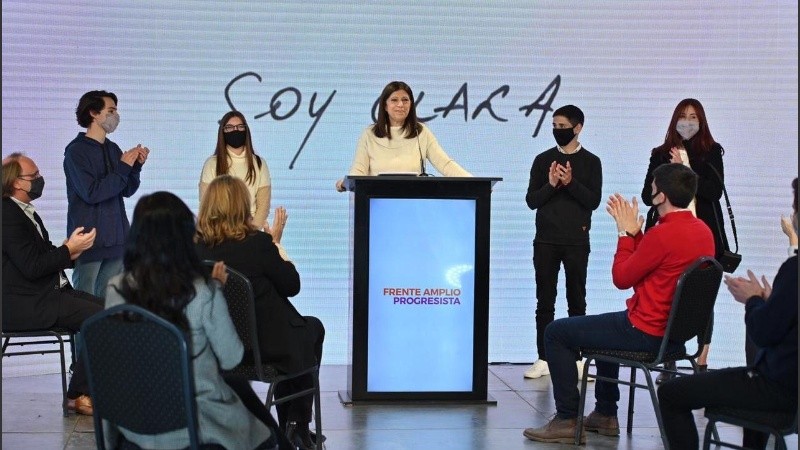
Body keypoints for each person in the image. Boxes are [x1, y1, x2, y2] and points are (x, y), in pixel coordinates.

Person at [523, 163, 715, 444]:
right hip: (675, 337)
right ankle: (604, 413)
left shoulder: (663, 234)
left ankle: (566, 418)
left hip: (645, 332)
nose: (649, 192)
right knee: (605, 327)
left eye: (652, 188)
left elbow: (622, 277)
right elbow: (653, 267)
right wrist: (638, 235)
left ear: (660, 196)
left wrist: (624, 235)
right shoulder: (702, 232)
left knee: (555, 332)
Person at [104, 191, 279, 450]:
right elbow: (231, 358)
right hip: (194, 427)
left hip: (135, 424)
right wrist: (216, 291)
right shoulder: (201, 292)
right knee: (264, 437)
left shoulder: (116, 288)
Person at [658, 177, 798, 450]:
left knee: (671, 394)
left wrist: (754, 301)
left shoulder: (795, 271)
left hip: (778, 388)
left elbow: (764, 333)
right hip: (785, 387)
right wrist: (774, 302)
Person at [195, 175, 325, 450]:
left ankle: (293, 427)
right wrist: (276, 244)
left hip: (218, 350)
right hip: (263, 351)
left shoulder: (195, 248)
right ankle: (296, 425)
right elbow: (292, 285)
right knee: (311, 329)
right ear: (243, 205)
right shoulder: (257, 244)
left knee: (298, 333)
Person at [2, 153, 103, 415]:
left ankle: (89, 388)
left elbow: (43, 256)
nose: (39, 179)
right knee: (102, 316)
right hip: (28, 304)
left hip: (46, 294)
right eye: (33, 176)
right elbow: (32, 267)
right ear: (16, 183)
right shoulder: (7, 214)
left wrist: (72, 252)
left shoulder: (23, 212)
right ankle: (79, 394)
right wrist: (68, 249)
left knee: (110, 309)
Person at [641, 98, 724, 373]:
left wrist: (687, 170)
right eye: (683, 116)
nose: (687, 122)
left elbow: (714, 191)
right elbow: (646, 195)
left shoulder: (711, 152)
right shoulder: (660, 153)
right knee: (668, 294)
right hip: (669, 235)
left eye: (693, 117)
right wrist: (672, 173)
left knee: (703, 293)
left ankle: (702, 358)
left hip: (703, 234)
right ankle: (669, 356)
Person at [523, 105, 603, 380]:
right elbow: (532, 201)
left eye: (563, 126)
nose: (558, 131)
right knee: (544, 300)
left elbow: (593, 201)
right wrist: (552, 184)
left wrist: (570, 183)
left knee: (576, 300)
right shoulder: (542, 159)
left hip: (577, 240)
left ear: (578, 127)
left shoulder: (592, 162)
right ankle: (543, 357)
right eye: (555, 127)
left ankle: (578, 358)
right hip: (545, 240)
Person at [64, 90, 148, 298]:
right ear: (93, 113)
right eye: (111, 110)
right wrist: (122, 168)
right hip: (89, 242)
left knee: (108, 304)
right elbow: (91, 193)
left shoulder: (113, 149)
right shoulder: (76, 152)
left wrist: (135, 167)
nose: (116, 116)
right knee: (85, 303)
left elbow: (127, 190)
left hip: (117, 240)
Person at [335, 80, 471, 191]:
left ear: (411, 105)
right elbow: (358, 171)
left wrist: (475, 183)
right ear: (385, 106)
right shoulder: (369, 134)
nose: (400, 104)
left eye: (405, 100)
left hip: (414, 203)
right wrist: (345, 183)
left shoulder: (421, 132)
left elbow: (445, 164)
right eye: (394, 100)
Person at [200, 111, 272, 229]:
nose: (235, 130)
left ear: (246, 130)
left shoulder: (259, 163)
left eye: (240, 127)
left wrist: (252, 231)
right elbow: (206, 203)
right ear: (223, 132)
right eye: (230, 127)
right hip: (221, 234)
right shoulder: (212, 164)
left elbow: (263, 205)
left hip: (251, 231)